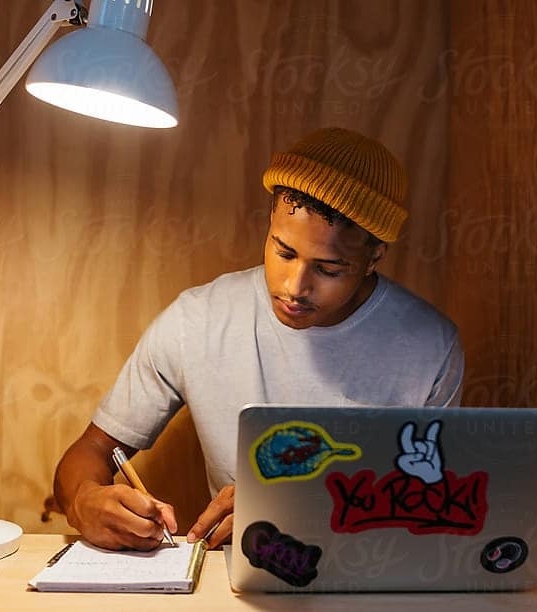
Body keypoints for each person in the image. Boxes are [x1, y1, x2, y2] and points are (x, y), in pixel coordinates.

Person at [53, 127, 464, 551]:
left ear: (374, 257)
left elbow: (436, 508)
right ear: (270, 221)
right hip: (242, 579)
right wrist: (85, 501)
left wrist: (296, 510)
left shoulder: (429, 346)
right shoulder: (197, 320)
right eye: (283, 252)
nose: (294, 286)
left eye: (328, 268)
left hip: (370, 576)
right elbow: (91, 452)